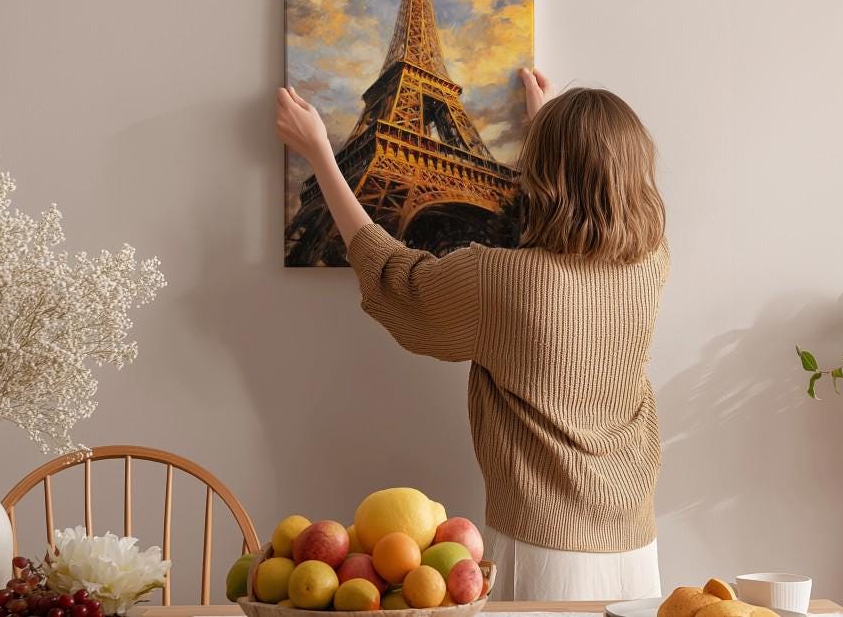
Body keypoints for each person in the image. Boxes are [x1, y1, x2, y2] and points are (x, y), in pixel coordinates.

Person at [275, 68, 669, 601]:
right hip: (636, 545)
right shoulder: (651, 263)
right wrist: (549, 126)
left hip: (542, 546)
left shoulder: (500, 279)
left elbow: (395, 275)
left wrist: (321, 152)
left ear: (543, 173)